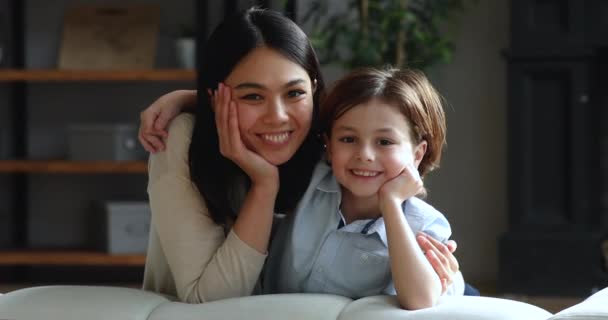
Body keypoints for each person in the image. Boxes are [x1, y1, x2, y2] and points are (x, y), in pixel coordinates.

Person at [140, 7, 461, 304]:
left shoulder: (328, 139)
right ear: (216, 99)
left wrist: (448, 277)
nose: (278, 116)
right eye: (252, 96)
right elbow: (209, 301)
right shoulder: (180, 140)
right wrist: (264, 185)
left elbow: (368, 120)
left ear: (314, 91)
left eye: (294, 93)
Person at [264, 67, 458, 310]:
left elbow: (420, 301)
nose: (364, 155)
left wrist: (391, 204)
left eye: (384, 142)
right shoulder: (306, 182)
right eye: (348, 139)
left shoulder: (425, 225)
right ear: (329, 144)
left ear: (417, 154)